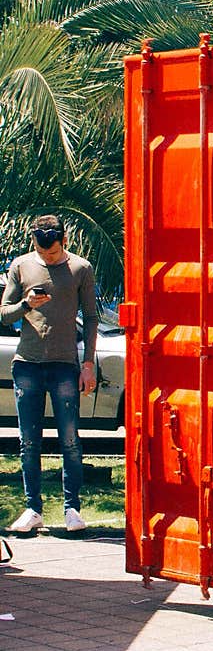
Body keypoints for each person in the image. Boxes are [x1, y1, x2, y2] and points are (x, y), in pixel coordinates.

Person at [0, 215, 98, 533]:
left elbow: (92, 317)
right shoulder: (21, 265)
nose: (48, 257)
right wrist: (26, 305)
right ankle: (33, 508)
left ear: (64, 241)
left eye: (54, 253)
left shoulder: (80, 268)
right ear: (34, 244)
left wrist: (88, 364)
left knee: (69, 439)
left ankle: (72, 508)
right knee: (29, 441)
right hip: (27, 363)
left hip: (64, 365)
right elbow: (4, 312)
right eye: (43, 253)